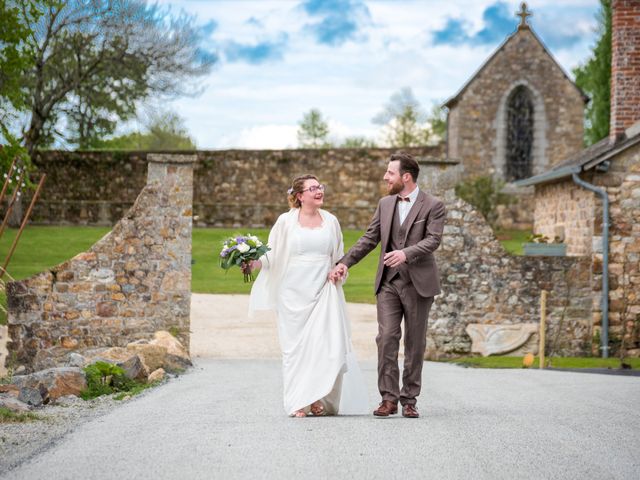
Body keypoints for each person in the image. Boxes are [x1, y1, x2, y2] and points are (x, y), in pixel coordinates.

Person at [330, 152, 445, 418]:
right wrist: (345, 262)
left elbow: (433, 240)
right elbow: (370, 238)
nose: (385, 177)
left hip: (419, 284)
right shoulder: (384, 204)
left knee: (415, 343)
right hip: (389, 284)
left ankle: (410, 399)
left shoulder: (433, 205)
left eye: (390, 173)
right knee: (386, 337)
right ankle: (388, 398)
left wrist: (406, 253)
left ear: (406, 177)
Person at [246, 174, 369, 418]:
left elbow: (339, 257)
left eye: (320, 187)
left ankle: (316, 398)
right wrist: (252, 263)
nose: (319, 191)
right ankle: (297, 402)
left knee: (326, 346)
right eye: (312, 188)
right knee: (296, 350)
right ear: (300, 196)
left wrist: (339, 270)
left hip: (324, 291)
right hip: (292, 294)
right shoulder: (285, 222)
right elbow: (270, 255)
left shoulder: (331, 221)